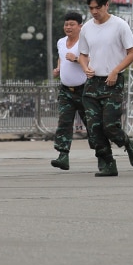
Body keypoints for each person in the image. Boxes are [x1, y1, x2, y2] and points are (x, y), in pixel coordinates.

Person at [78, 0, 133, 177]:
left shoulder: (120, 25)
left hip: (112, 81)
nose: (95, 12)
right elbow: (82, 54)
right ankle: (107, 162)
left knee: (110, 126)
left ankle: (127, 143)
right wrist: (84, 66)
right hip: (92, 83)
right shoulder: (87, 28)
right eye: (91, 8)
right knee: (94, 128)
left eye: (98, 7)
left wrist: (115, 70)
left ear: (107, 5)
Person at [50, 11, 89, 171]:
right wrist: (58, 68)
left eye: (72, 24)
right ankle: (63, 155)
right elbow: (61, 56)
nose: (68, 27)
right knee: (64, 123)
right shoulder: (61, 42)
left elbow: (93, 60)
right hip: (66, 90)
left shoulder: (85, 43)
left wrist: (77, 59)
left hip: (84, 90)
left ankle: (103, 154)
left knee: (92, 125)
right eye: (66, 24)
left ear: (80, 26)